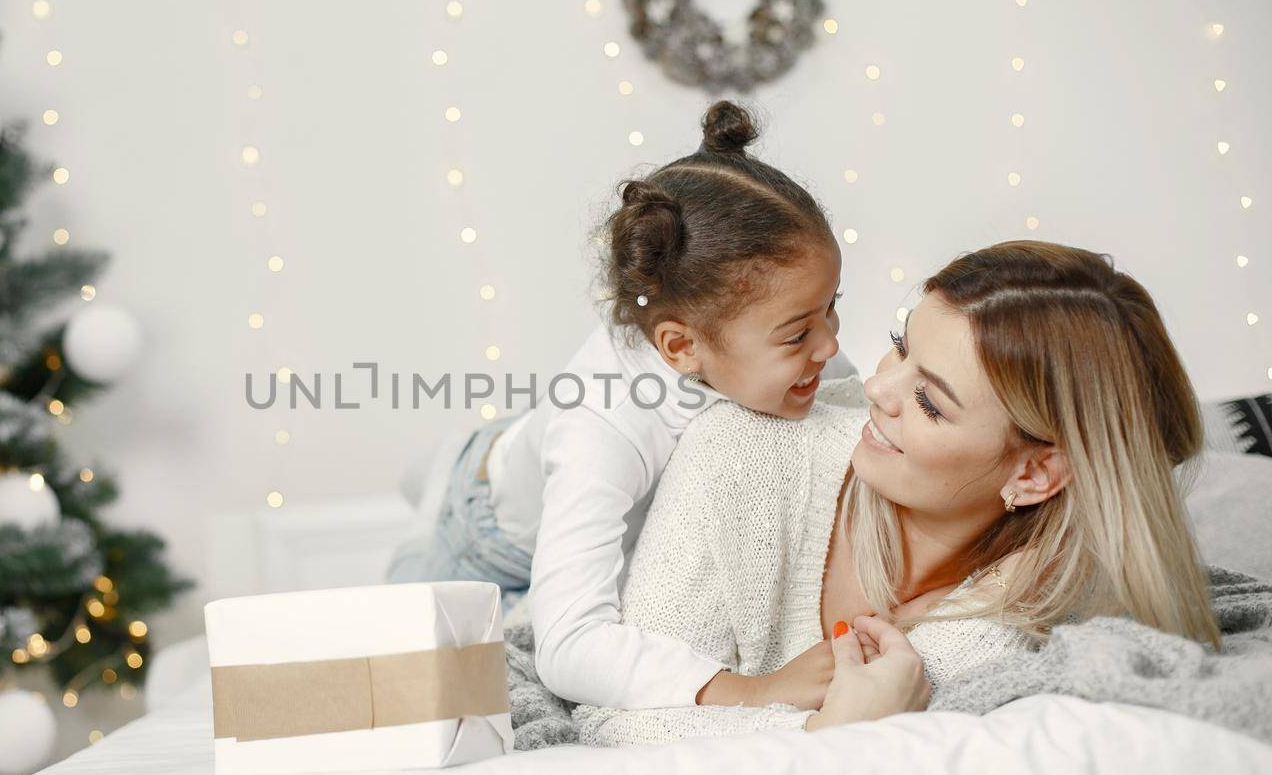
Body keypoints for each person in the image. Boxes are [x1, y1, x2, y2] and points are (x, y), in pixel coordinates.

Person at [570, 239, 1222, 742]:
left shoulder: (1037, 618)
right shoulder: (742, 445)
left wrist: (828, 731)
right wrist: (814, 728)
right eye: (897, 346)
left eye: (931, 402)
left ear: (1034, 474)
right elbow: (609, 721)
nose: (878, 390)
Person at [387, 100, 855, 709]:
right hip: (482, 529)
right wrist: (751, 690)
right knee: (404, 641)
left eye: (832, 307)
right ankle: (438, 479)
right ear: (681, 346)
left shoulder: (790, 350)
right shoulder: (602, 432)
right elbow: (570, 646)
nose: (830, 345)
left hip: (547, 443)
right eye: (798, 334)